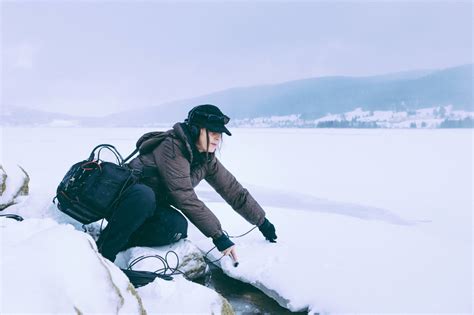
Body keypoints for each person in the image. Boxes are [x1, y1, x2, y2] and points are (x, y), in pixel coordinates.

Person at [96, 104, 277, 263]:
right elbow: (183, 196)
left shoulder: (206, 159)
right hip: (126, 204)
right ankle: (105, 253)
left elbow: (233, 190)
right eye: (212, 132)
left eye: (219, 134)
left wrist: (262, 222)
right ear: (195, 130)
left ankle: (124, 242)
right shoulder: (171, 147)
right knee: (145, 195)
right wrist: (219, 237)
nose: (217, 138)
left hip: (151, 207)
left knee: (176, 227)